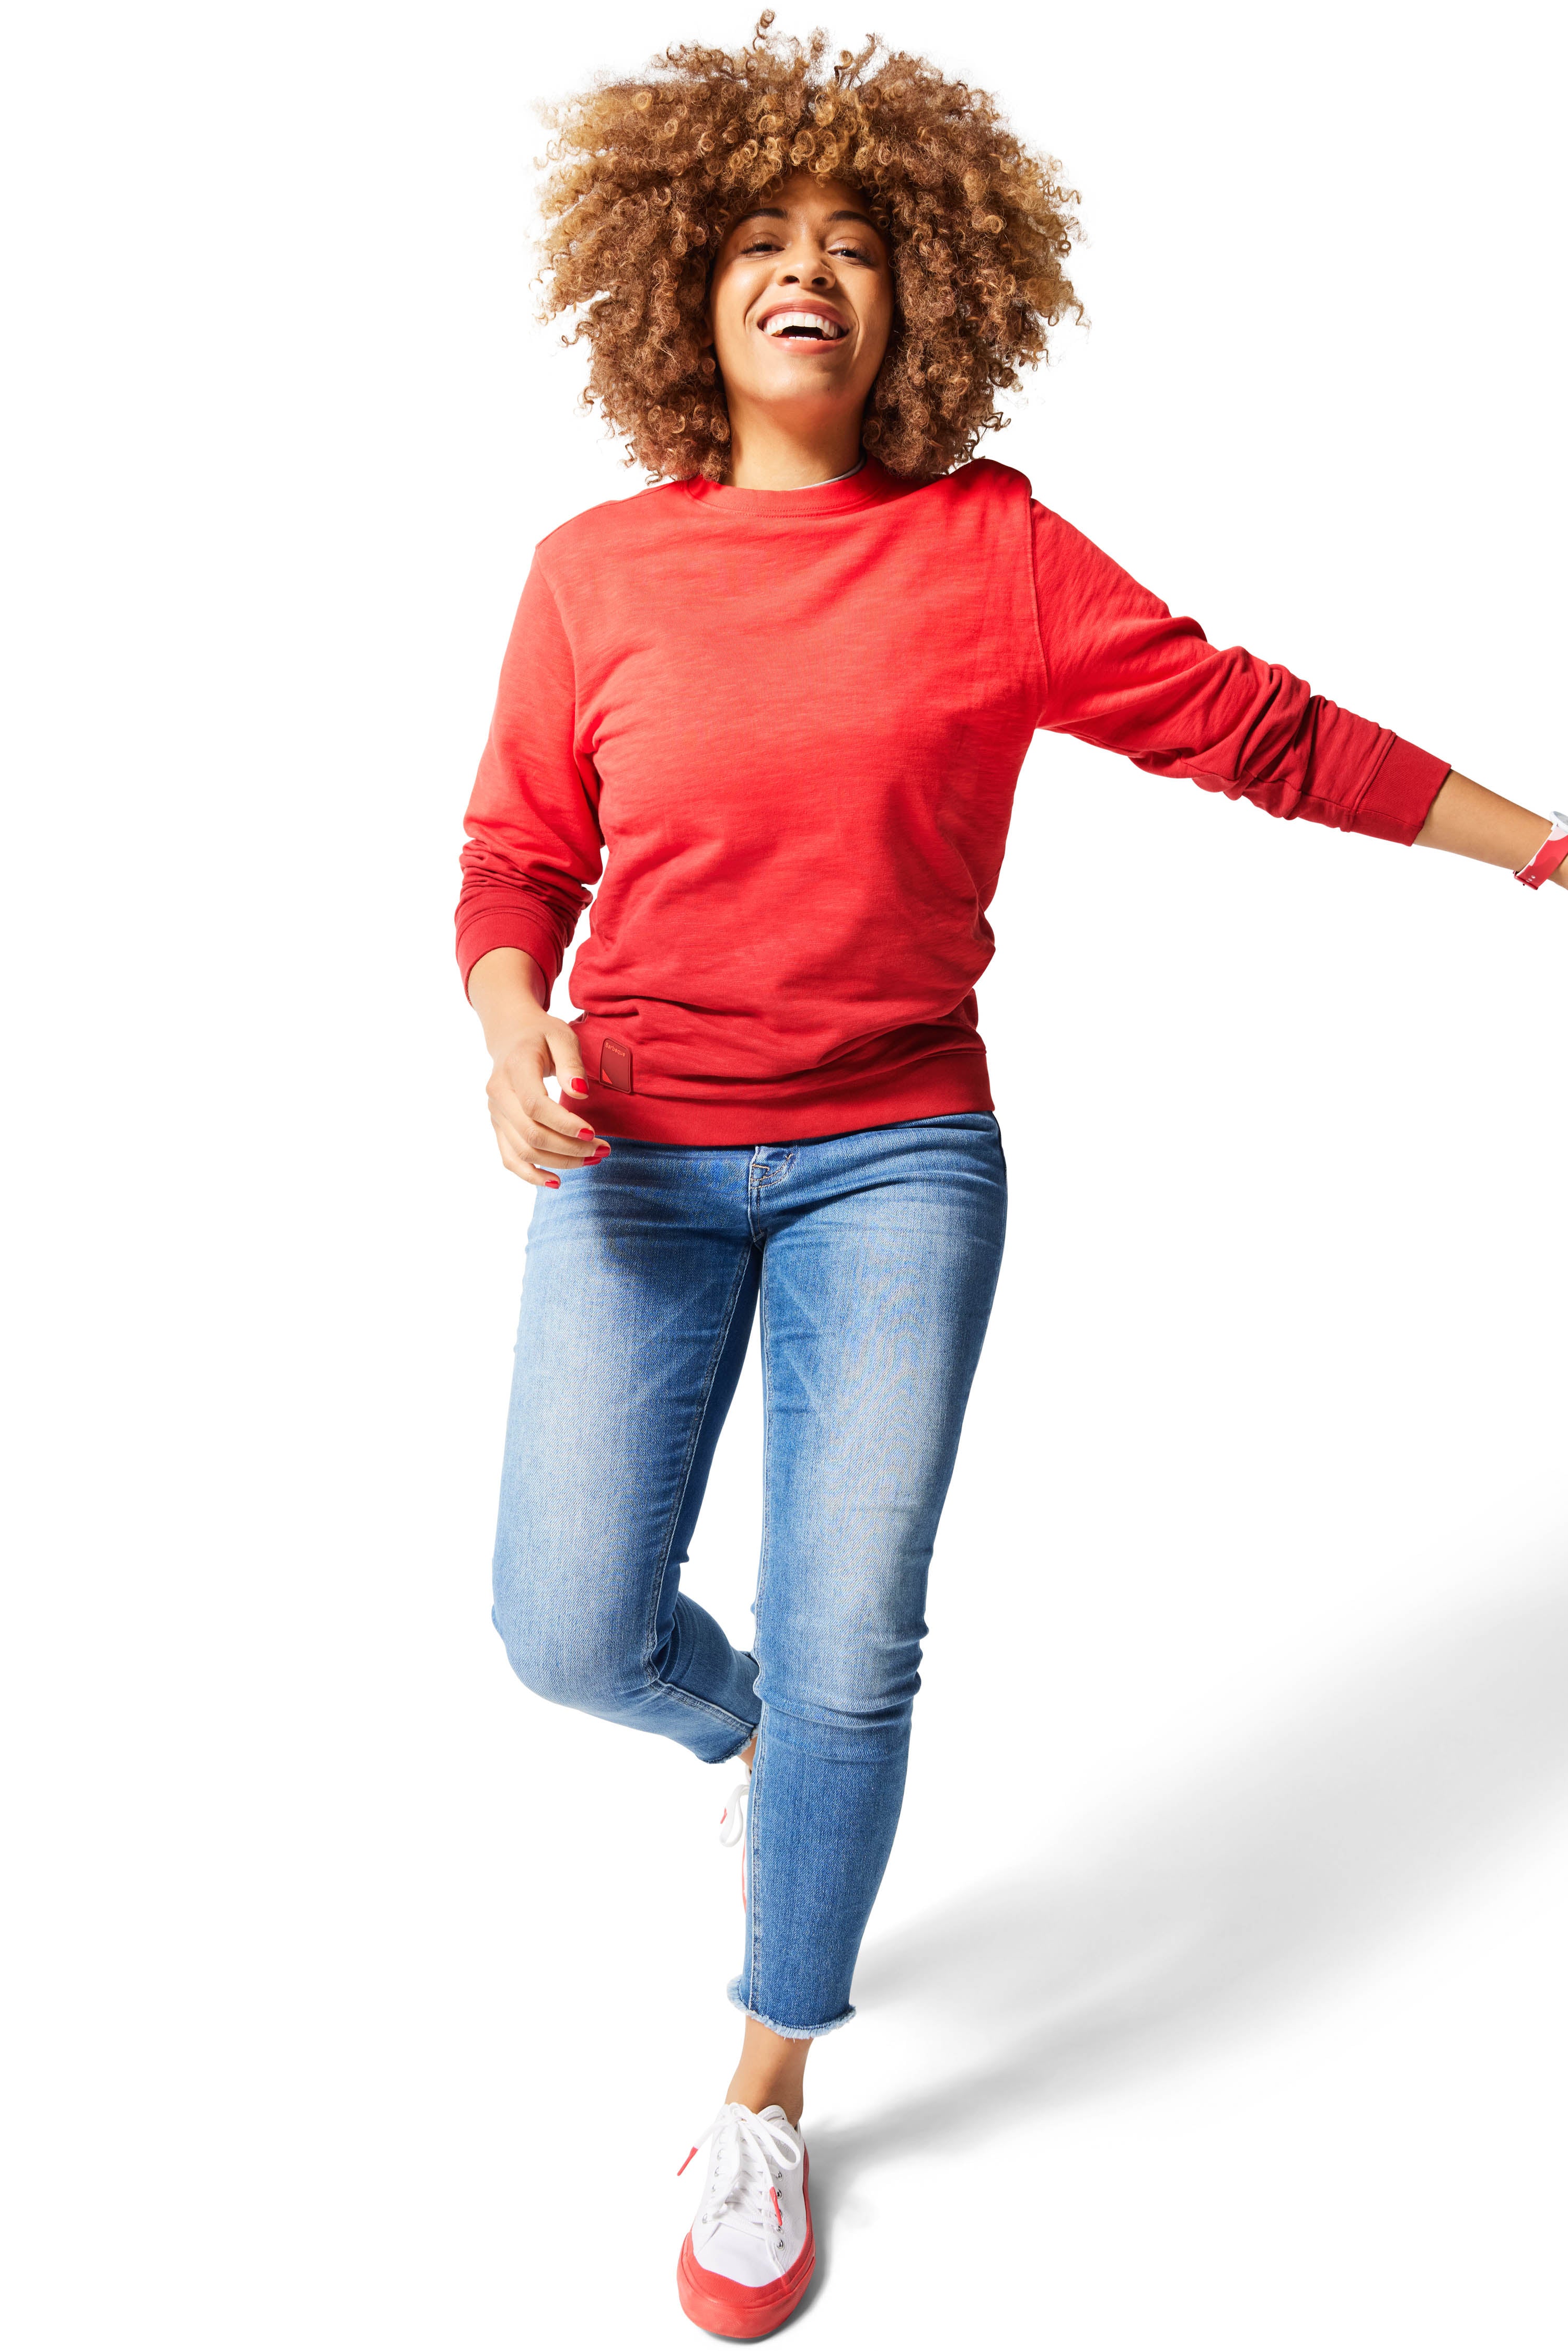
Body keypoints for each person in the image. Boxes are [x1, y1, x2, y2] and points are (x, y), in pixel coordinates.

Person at [453, 19, 1566, 2335]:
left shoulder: (988, 553)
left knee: (860, 1639)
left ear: (923, 302)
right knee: (569, 1634)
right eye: (763, 236)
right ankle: (731, 1731)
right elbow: (511, 859)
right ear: (682, 283)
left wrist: (1540, 842)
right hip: (643, 1157)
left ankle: (764, 2090)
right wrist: (504, 1023)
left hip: (892, 1159)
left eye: (860, 244)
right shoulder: (593, 572)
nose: (811, 273)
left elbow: (1262, 727)